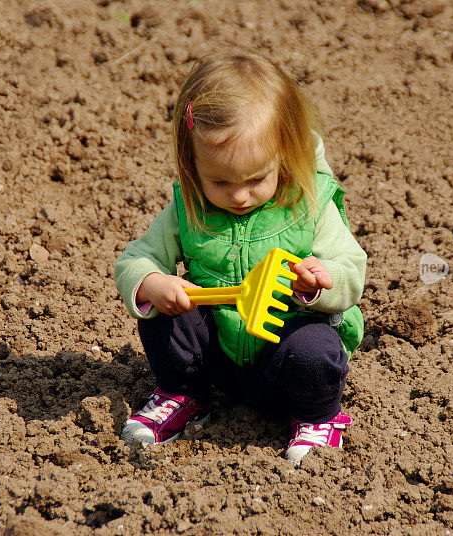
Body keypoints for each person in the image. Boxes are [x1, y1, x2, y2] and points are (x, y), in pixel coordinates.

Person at [114, 51, 366, 464]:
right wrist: (151, 284)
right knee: (165, 315)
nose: (239, 196)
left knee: (315, 348)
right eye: (219, 181)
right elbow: (135, 259)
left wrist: (320, 282)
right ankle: (183, 393)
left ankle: (317, 417)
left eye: (256, 179)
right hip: (217, 360)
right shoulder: (189, 208)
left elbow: (351, 266)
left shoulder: (309, 204)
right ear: (191, 163)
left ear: (285, 155)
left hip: (282, 351)